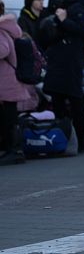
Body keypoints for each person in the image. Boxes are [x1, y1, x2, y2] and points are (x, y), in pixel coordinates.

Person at [41, 0, 84, 153]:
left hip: (70, 61)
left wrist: (63, 20)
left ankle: (79, 141)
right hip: (59, 59)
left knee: (74, 99)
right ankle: (62, 139)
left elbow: (82, 31)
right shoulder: (63, 5)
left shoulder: (77, 7)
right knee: (58, 100)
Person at [0, 13, 29, 165]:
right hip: (8, 81)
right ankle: (12, 149)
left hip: (5, 82)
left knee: (9, 118)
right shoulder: (7, 28)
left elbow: (3, 50)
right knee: (8, 117)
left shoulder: (0, 30)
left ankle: (14, 150)